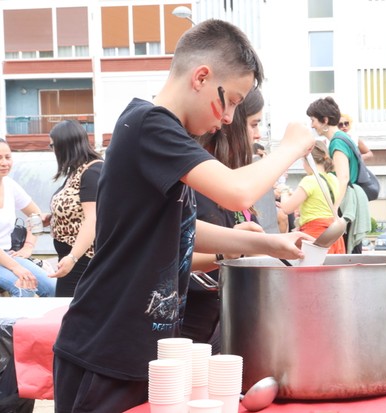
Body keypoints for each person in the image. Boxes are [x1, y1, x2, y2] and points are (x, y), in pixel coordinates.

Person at [53, 20, 315, 412]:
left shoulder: (158, 133)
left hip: (145, 352)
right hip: (107, 348)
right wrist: (291, 148)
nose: (228, 118)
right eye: (231, 100)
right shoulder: (149, 124)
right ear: (202, 77)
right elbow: (236, 190)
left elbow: (184, 229)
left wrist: (266, 242)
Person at [182, 87, 267, 352]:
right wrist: (226, 253)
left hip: (223, 317)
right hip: (192, 329)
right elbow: (174, 256)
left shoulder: (226, 175)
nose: (258, 134)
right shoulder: (196, 178)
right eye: (253, 124)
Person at [307, 97, 371, 254]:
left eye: (313, 120)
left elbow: (343, 178)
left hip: (347, 202)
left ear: (325, 120)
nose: (312, 125)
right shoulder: (344, 138)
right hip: (354, 198)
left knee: (349, 256)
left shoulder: (337, 141)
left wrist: (333, 209)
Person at [47, 120, 103, 297]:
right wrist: (53, 217)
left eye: (53, 145)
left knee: (69, 313)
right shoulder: (76, 171)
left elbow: (92, 218)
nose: (53, 150)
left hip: (83, 258)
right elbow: (77, 209)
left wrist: (73, 257)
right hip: (73, 258)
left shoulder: (92, 171)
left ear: (64, 145)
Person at [0, 139, 56, 298]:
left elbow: (35, 214)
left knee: (53, 287)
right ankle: (10, 324)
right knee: (24, 289)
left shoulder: (10, 185)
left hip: (7, 255)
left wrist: (28, 247)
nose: (4, 163)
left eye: (8, 157)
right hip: (6, 260)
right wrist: (16, 268)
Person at [279, 140, 347, 254]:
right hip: (333, 235)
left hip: (315, 236)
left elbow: (286, 208)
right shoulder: (333, 179)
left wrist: (284, 191)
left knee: (313, 271)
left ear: (307, 160)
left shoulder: (310, 180)